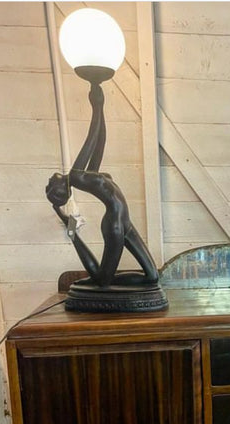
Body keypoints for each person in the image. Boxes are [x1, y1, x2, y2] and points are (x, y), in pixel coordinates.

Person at [45, 82, 158, 288]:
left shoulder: (84, 177)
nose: (50, 179)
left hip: (125, 222)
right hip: (114, 224)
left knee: (152, 277)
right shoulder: (77, 176)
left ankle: (103, 279)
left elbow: (99, 143)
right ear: (60, 191)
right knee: (103, 282)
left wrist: (101, 107)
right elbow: (91, 139)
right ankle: (100, 280)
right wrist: (96, 108)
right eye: (50, 184)